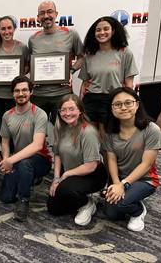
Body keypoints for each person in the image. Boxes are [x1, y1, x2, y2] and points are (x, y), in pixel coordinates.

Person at [103, 87, 161, 231]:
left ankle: (138, 211)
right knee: (111, 213)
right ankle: (131, 197)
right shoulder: (110, 132)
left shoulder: (151, 129)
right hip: (120, 178)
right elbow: (111, 160)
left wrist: (123, 185)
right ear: (112, 109)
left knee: (120, 204)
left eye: (128, 103)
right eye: (117, 105)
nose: (123, 108)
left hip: (145, 179)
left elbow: (146, 164)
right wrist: (116, 182)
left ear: (137, 104)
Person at [47, 94, 107, 225]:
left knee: (65, 189)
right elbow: (57, 154)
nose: (67, 113)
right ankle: (80, 196)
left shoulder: (88, 131)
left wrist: (66, 174)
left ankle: (87, 204)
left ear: (80, 111)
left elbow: (91, 165)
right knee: (53, 208)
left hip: (92, 174)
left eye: (71, 109)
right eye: (63, 110)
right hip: (71, 172)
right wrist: (56, 179)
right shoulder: (60, 128)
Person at [0, 76, 52, 222]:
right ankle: (29, 178)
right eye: (17, 91)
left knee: (25, 164)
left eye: (24, 90)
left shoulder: (39, 114)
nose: (21, 94)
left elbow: (37, 145)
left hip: (41, 159)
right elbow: (5, 142)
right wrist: (5, 160)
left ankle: (24, 201)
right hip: (17, 158)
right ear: (12, 94)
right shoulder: (7, 115)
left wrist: (11, 160)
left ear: (31, 92)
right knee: (6, 198)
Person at [79, 16, 138, 135]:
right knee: (89, 136)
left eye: (106, 29)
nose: (102, 32)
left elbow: (129, 83)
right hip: (91, 99)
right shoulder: (89, 54)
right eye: (98, 30)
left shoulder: (124, 52)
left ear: (113, 31)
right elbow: (85, 83)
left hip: (112, 99)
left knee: (106, 138)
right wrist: (79, 104)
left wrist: (126, 103)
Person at [28, 1, 84, 124]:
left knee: (65, 131)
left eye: (49, 11)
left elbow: (82, 57)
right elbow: (31, 63)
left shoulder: (70, 34)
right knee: (35, 132)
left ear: (56, 14)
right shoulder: (33, 39)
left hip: (62, 94)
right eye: (42, 13)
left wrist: (71, 70)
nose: (46, 15)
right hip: (38, 95)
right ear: (38, 17)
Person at [0, 15, 30, 131]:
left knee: (16, 129)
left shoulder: (22, 47)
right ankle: (4, 150)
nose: (7, 32)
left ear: (14, 29)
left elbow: (28, 66)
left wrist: (19, 74)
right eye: (3, 29)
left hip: (16, 96)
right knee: (1, 128)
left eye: (9, 28)